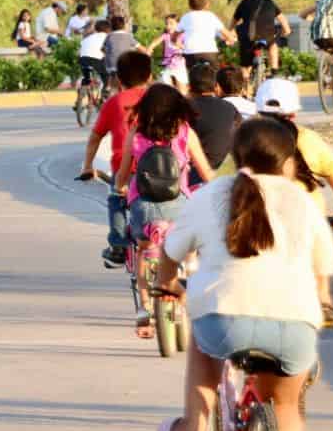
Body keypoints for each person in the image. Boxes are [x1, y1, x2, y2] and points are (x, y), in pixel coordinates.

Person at [155, 118, 333, 431]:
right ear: (288, 162)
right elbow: (322, 272)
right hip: (293, 327)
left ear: (236, 158)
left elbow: (170, 250)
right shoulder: (303, 201)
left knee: (204, 343)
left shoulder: (212, 194)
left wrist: (169, 284)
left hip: (224, 321)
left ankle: (193, 430)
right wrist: (318, 303)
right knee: (286, 408)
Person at [114, 84, 215, 337]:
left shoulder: (136, 134)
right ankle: (188, 285)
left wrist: (120, 187)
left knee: (144, 249)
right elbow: (206, 173)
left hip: (143, 209)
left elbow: (122, 176)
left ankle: (144, 310)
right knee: (190, 250)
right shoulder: (184, 133)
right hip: (179, 208)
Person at [251, 77, 333, 327]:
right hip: (307, 225)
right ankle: (324, 301)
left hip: (261, 227)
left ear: (259, 112)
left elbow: (221, 186)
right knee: (319, 249)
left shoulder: (246, 140)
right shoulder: (310, 140)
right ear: (293, 113)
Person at [79, 49, 154, 266]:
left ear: (119, 79)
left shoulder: (114, 102)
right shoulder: (158, 98)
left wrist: (87, 166)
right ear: (149, 76)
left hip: (126, 171)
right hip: (161, 169)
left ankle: (119, 245)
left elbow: (95, 137)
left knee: (117, 199)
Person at [186, 62, 241, 177]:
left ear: (189, 87)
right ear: (216, 86)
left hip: (193, 173)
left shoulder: (184, 108)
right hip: (226, 172)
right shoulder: (230, 108)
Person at [232, 0, 290, 79]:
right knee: (273, 45)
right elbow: (282, 19)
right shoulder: (269, 1)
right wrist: (286, 30)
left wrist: (230, 33)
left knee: (245, 64)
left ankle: (245, 84)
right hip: (267, 36)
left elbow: (233, 21)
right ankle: (274, 71)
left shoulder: (243, 3)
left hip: (249, 36)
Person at [177, 0, 234, 73]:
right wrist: (230, 39)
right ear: (207, 4)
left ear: (189, 4)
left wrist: (178, 43)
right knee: (215, 76)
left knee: (193, 76)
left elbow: (175, 35)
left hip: (190, 53)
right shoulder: (211, 16)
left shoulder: (186, 17)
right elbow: (227, 35)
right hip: (209, 52)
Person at [147, 13, 188, 91]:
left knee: (182, 91)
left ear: (178, 25)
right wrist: (150, 48)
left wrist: (180, 46)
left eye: (171, 24)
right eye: (166, 24)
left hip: (179, 67)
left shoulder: (182, 36)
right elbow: (155, 42)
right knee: (166, 90)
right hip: (168, 67)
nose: (168, 26)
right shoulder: (166, 35)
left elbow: (188, 49)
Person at [101, 15, 139, 85]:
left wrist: (108, 54)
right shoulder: (128, 36)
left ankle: (108, 87)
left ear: (112, 26)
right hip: (123, 65)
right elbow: (141, 48)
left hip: (110, 65)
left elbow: (102, 49)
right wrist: (148, 51)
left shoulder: (109, 36)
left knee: (112, 75)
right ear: (124, 26)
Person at [76, 22, 107, 90]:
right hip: (96, 60)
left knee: (86, 79)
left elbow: (78, 53)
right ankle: (104, 95)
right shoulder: (106, 36)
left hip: (83, 60)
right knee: (106, 77)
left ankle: (80, 97)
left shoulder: (87, 38)